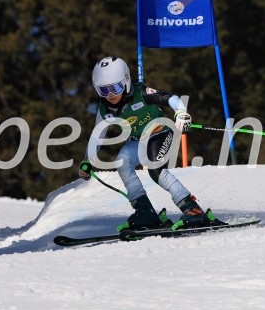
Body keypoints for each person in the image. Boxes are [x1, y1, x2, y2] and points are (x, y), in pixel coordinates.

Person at [79, 56, 224, 233]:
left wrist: (181, 113)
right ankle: (145, 212)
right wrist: (88, 160)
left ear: (125, 82)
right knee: (122, 162)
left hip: (160, 132)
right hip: (136, 141)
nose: (111, 95)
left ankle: (192, 209)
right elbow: (97, 135)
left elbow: (170, 98)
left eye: (115, 88)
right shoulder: (104, 108)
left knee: (155, 168)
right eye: (103, 91)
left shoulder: (141, 93)